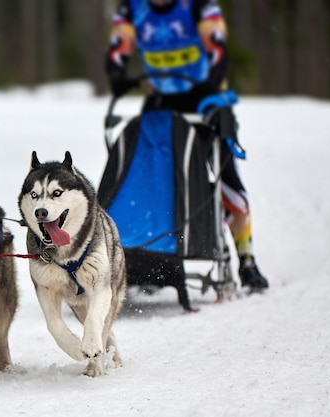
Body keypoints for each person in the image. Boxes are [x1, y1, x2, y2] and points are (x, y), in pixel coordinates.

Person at [105, 0, 269, 290]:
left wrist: (214, 82)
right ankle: (153, 254)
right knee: (153, 179)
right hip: (162, 102)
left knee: (226, 180)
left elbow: (217, 47)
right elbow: (119, 46)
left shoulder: (199, 5)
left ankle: (247, 260)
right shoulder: (133, 8)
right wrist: (117, 75)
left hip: (206, 98)